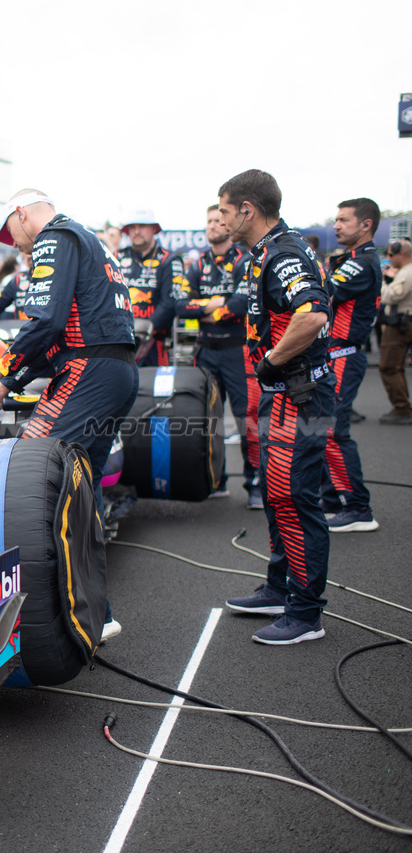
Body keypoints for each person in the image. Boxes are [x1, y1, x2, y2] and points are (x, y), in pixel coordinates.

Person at [0, 190, 138, 640]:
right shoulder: (90, 240)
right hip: (116, 371)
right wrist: (9, 384)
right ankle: (96, 616)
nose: (18, 246)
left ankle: (37, 613)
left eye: (14, 234)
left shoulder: (54, 236)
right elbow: (64, 336)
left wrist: (1, 366)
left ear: (23, 214)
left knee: (28, 474)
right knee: (79, 492)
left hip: (90, 371)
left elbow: (45, 323)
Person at [218, 169, 334, 645]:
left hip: (301, 395)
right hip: (283, 394)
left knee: (295, 497)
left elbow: (314, 314)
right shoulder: (265, 252)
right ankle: (279, 587)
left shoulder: (284, 252)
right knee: (276, 492)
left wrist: (272, 359)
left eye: (224, 209)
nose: (220, 218)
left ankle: (306, 614)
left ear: (247, 209)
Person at [174, 204, 255, 505]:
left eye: (218, 220)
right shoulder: (195, 265)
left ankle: (256, 485)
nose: (212, 225)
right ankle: (216, 479)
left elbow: (239, 305)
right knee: (208, 419)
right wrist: (214, 305)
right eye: (208, 221)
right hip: (206, 352)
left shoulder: (245, 261)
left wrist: (206, 308)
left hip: (238, 351)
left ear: (229, 225)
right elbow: (181, 307)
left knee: (248, 419)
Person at [320, 198, 382, 533]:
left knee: (332, 431)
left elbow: (324, 292)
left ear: (366, 224)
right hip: (334, 356)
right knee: (321, 429)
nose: (336, 225)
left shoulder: (362, 262)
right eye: (336, 219)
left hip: (345, 356)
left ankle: (358, 508)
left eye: (344, 220)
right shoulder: (351, 259)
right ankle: (332, 501)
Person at [118, 210, 184, 367]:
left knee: (155, 389)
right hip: (121, 340)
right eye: (132, 227)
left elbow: (171, 301)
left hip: (156, 341)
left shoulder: (170, 260)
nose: (137, 231)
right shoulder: (116, 258)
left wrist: (147, 328)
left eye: (142, 226)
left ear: (154, 229)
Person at [378, 240, 412, 425]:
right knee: (396, 366)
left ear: (402, 254)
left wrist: (384, 281)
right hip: (403, 321)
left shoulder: (406, 273)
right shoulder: (405, 272)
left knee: (389, 366)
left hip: (400, 323)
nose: (389, 258)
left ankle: (402, 408)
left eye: (391, 255)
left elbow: (390, 296)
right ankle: (403, 406)